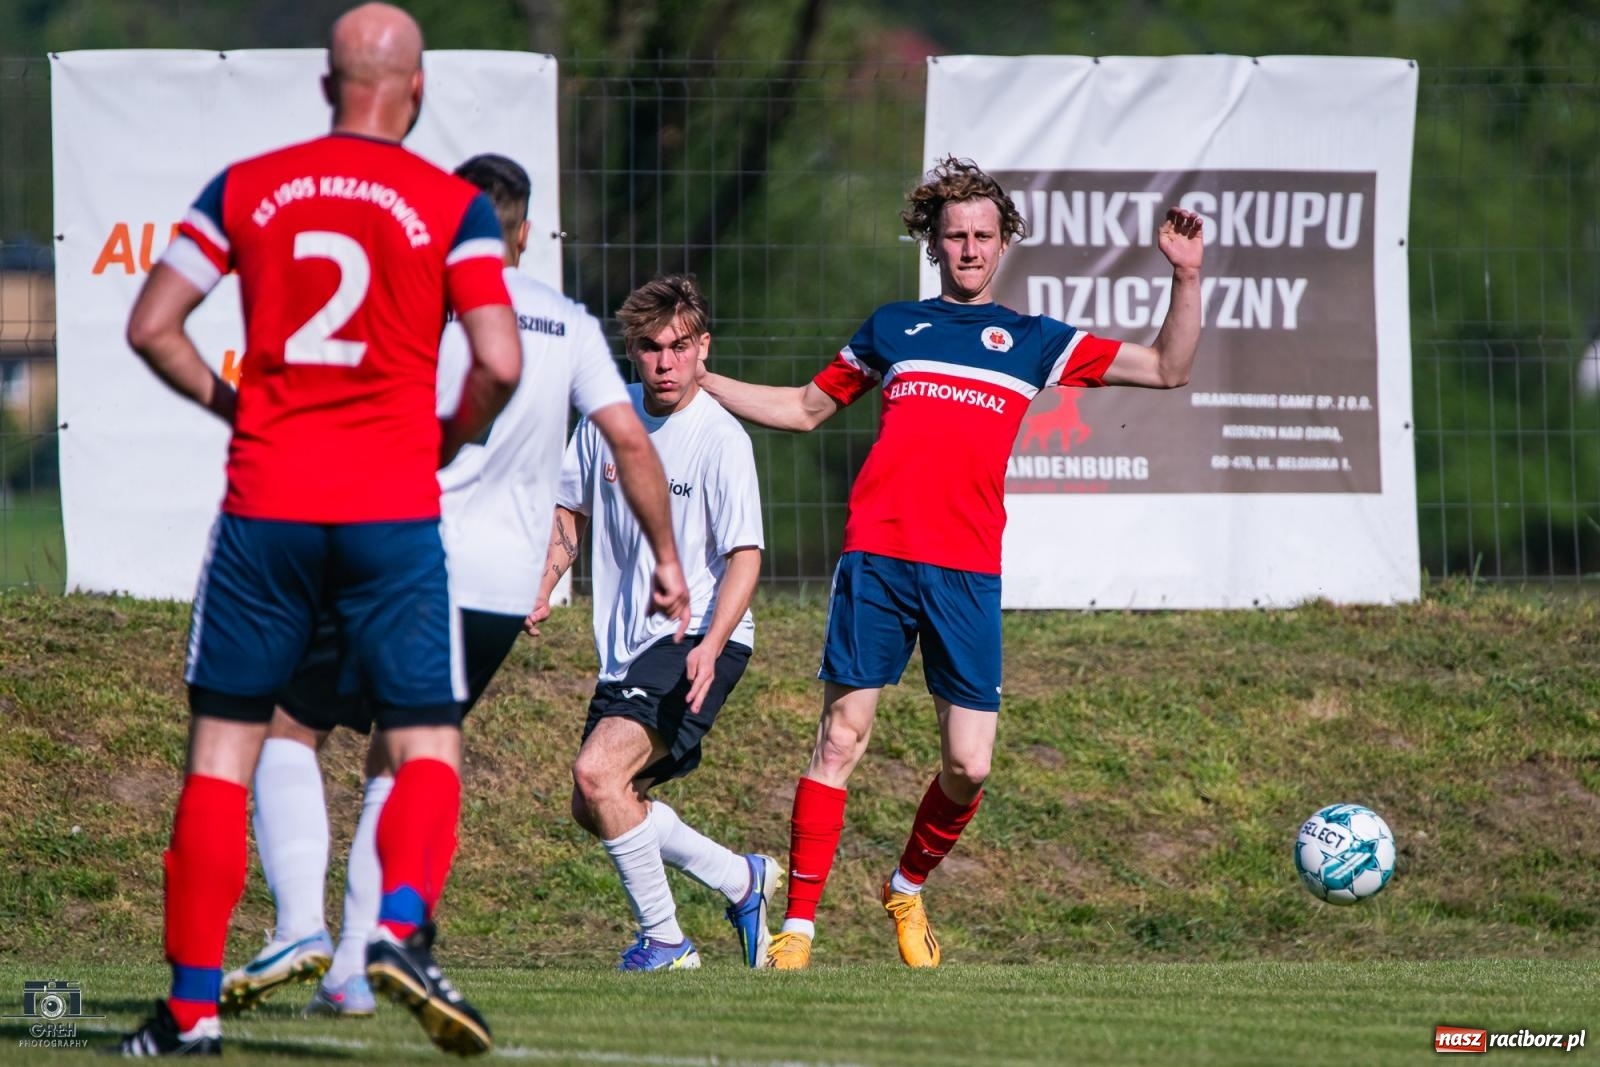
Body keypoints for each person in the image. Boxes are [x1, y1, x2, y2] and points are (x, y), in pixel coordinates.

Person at [111, 4, 525, 1056]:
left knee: (221, 754)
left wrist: (232, 404)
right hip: (390, 507)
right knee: (426, 736)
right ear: (416, 89)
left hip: (265, 504)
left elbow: (151, 325)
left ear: (325, 86)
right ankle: (395, 930)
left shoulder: (248, 185)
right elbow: (502, 359)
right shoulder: (451, 203)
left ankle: (192, 1009)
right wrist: (448, 432)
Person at [696, 156, 1205, 970]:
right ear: (932, 243)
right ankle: (797, 930)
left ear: (1004, 244)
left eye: (982, 235)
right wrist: (702, 376)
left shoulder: (1036, 340)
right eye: (954, 234)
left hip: (966, 571)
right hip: (878, 560)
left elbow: (1170, 368)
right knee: (840, 738)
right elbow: (801, 409)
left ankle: (905, 885)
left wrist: (1185, 277)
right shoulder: (894, 326)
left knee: (968, 764)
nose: (968, 247)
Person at [216, 154, 689, 1018]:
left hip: (396, 552)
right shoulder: (570, 324)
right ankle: (357, 967)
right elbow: (631, 444)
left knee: (288, 722)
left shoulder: (416, 298)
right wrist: (666, 555)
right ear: (526, 230)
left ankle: (296, 925)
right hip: (500, 593)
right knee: (399, 752)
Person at [528, 274, 778, 971]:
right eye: (649, 348)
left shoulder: (722, 439)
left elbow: (746, 558)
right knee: (598, 800)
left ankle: (666, 940)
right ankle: (740, 878)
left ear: (703, 348)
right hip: (627, 650)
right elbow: (567, 515)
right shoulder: (606, 423)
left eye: (679, 346)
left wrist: (714, 642)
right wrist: (542, 584)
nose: (665, 362)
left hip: (699, 637)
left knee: (597, 772)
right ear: (631, 352)